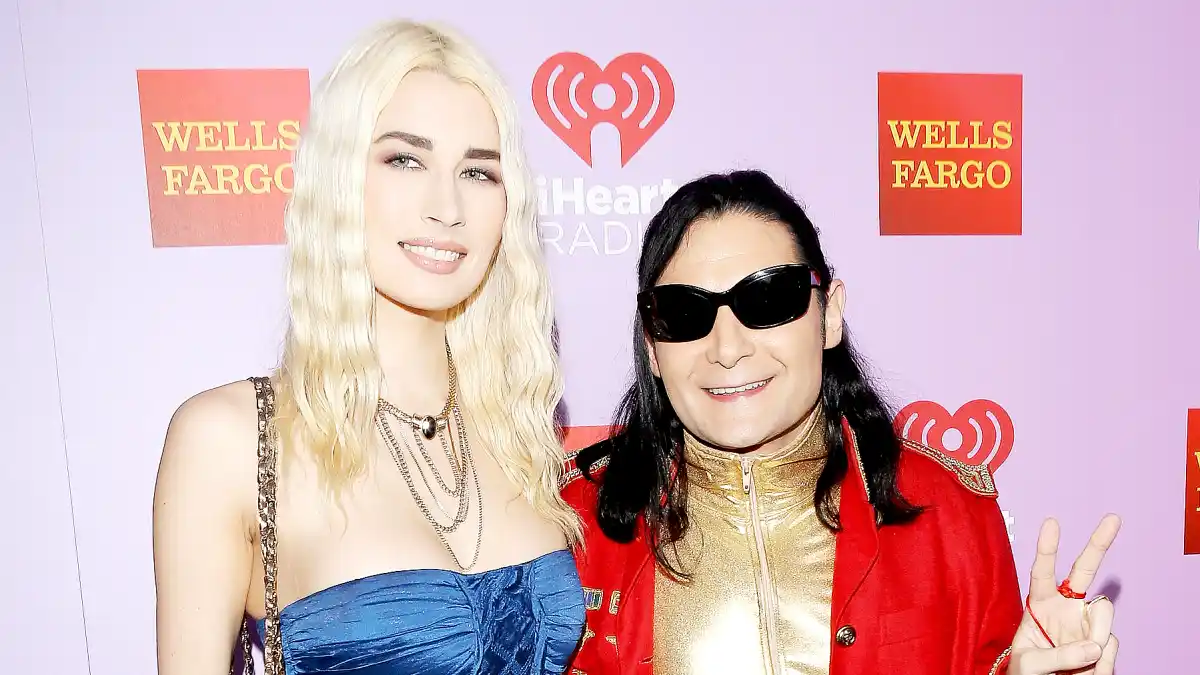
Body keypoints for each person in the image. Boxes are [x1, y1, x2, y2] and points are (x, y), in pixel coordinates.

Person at [152, 20, 584, 675]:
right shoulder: (230, 438)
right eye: (404, 159)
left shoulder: (516, 428)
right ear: (340, 181)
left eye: (478, 171)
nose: (447, 206)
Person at [562, 169, 1121, 675]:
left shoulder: (947, 509)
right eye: (684, 312)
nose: (726, 349)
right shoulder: (566, 529)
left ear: (828, 314)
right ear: (652, 347)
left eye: (769, 300)